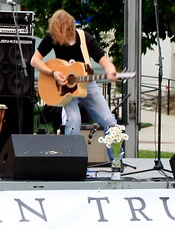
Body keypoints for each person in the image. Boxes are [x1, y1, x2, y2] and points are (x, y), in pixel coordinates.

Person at [30, 9, 121, 141]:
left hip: (87, 84)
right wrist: (53, 73)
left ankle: (116, 160)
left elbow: (103, 59)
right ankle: (72, 158)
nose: (59, 36)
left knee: (109, 121)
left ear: (69, 28)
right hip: (66, 88)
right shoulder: (52, 37)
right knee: (73, 120)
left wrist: (110, 69)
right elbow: (34, 60)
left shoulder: (85, 38)